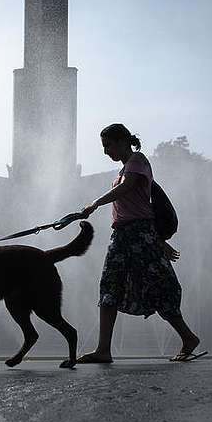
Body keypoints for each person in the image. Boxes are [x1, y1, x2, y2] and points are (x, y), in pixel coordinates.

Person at [76, 123, 201, 363]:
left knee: (159, 286)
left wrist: (95, 203)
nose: (105, 152)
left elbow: (129, 189)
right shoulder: (124, 169)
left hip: (139, 234)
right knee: (110, 286)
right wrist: (157, 241)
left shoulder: (138, 161)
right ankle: (103, 349)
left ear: (122, 141)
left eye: (107, 145)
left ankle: (188, 337)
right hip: (124, 236)